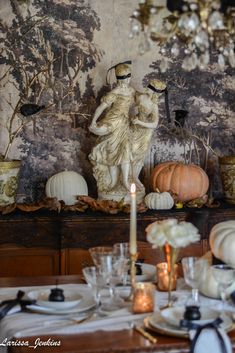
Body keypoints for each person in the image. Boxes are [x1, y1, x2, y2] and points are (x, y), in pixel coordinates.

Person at [89, 63, 135, 196]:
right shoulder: (114, 93)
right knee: (112, 154)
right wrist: (93, 122)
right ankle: (113, 182)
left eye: (128, 77)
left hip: (124, 124)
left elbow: (141, 99)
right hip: (113, 123)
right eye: (123, 78)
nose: (126, 80)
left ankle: (125, 182)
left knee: (125, 151)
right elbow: (101, 108)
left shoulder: (131, 91)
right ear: (118, 79)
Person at [130, 79, 168, 189]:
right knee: (130, 151)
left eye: (150, 88)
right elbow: (131, 106)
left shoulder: (153, 106)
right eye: (148, 86)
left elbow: (154, 124)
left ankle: (134, 177)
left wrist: (140, 122)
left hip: (145, 131)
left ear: (155, 92)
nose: (146, 88)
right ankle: (128, 177)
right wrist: (134, 117)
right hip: (135, 127)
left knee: (139, 155)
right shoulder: (141, 97)